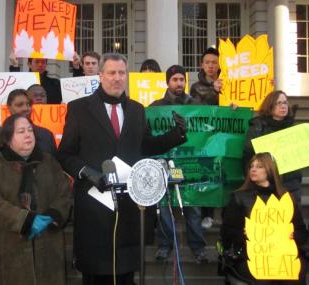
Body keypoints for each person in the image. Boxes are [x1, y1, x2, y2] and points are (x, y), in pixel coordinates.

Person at [57, 53, 187, 285]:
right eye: (111, 73)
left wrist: (176, 136)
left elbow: (145, 146)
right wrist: (87, 172)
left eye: (121, 73)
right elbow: (65, 154)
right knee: (97, 274)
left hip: (129, 207)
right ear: (100, 75)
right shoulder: (79, 109)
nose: (117, 78)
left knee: (127, 273)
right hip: (94, 205)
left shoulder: (137, 110)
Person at [0, 114, 72, 285]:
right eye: (21, 131)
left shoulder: (49, 162)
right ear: (8, 139)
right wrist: (25, 220)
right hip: (8, 247)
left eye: (30, 130)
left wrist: (53, 214)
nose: (28, 135)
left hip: (48, 244)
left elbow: (64, 193)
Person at [220, 152, 308, 284]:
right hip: (250, 255)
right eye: (251, 166)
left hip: (282, 256)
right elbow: (227, 231)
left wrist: (294, 235)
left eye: (259, 166)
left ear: (270, 170)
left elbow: (301, 230)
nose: (253, 169)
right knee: (262, 279)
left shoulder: (286, 198)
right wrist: (243, 235)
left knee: (294, 275)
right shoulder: (239, 197)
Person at [150, 65, 208, 264]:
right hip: (165, 162)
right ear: (168, 82)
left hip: (189, 161)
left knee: (192, 205)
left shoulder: (196, 105)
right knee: (164, 203)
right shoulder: (156, 107)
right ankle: (165, 246)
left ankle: (198, 248)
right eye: (174, 79)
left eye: (182, 79)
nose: (179, 83)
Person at [243, 90, 301, 203]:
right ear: (269, 106)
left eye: (285, 102)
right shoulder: (257, 128)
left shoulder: (294, 129)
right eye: (278, 103)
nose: (283, 106)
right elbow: (248, 155)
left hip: (290, 185)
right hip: (265, 186)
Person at [191, 47, 223, 229]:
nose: (211, 66)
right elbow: (199, 109)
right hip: (206, 137)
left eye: (214, 62)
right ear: (202, 65)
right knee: (207, 173)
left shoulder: (230, 82)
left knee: (226, 173)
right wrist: (214, 91)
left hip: (226, 135)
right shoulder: (196, 87)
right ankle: (207, 214)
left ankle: (227, 212)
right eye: (207, 62)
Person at [0, 89, 57, 163]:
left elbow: (55, 168)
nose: (26, 108)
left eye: (28, 104)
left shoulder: (46, 135)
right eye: (19, 105)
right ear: (9, 107)